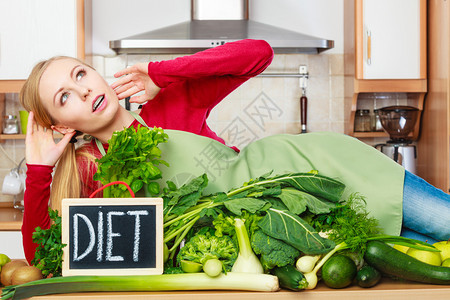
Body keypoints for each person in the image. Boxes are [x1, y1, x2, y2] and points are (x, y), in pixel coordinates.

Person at [19, 39, 449, 266]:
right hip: (311, 232)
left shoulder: (166, 104)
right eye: (65, 97)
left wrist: (162, 73)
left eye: (81, 74)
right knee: (434, 260)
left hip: (332, 167)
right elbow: (43, 259)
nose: (84, 89)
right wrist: (39, 170)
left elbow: (257, 54)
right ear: (61, 123)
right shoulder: (90, 170)